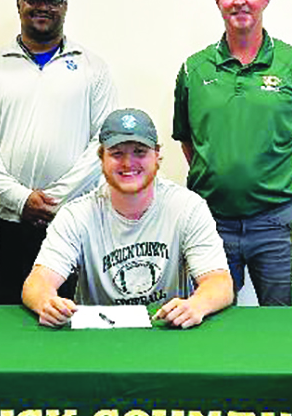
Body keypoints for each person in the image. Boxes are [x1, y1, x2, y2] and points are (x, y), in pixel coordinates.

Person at [173, 0, 292, 306]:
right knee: (205, 323)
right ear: (217, 0)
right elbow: (187, 138)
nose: (239, 0)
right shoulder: (193, 70)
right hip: (210, 223)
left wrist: (277, 180)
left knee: (284, 329)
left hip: (277, 225)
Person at [0, 0, 117, 304]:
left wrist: (54, 199)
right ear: (18, 3)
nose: (42, 6)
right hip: (5, 221)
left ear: (65, 5)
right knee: (4, 318)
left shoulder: (93, 67)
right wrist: (20, 198)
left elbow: (103, 141)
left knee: (70, 316)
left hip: (73, 218)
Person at [22, 108, 233, 329]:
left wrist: (197, 305)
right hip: (98, 336)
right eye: (117, 153)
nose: (128, 163)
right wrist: (46, 302)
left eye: (140, 152)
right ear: (101, 157)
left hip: (167, 330)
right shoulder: (75, 215)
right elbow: (38, 281)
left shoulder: (188, 207)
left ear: (157, 155)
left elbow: (219, 282)